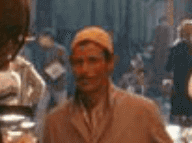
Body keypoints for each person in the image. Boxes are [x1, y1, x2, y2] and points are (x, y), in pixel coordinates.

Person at [41, 26, 173, 143]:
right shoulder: (55, 122)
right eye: (78, 62)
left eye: (93, 61)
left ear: (110, 63)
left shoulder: (143, 112)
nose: (85, 70)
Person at [165, 19, 192, 130]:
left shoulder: (176, 46)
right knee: (191, 102)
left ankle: (181, 122)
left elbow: (168, 66)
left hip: (179, 79)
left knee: (179, 100)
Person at [31, 29, 68, 112]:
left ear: (49, 38)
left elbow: (65, 65)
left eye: (42, 38)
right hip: (46, 85)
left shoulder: (60, 50)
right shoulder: (40, 51)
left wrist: (52, 72)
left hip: (59, 84)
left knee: (63, 109)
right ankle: (39, 125)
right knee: (40, 109)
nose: (40, 40)